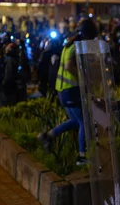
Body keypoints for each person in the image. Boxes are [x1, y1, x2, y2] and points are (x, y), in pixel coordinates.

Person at [37, 18, 99, 165]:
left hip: (63, 90)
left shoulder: (70, 44)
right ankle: (82, 157)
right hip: (70, 91)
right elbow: (69, 66)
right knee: (85, 122)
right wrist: (83, 78)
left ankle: (48, 136)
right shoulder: (76, 46)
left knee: (75, 121)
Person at [0, 42, 21, 106]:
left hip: (8, 84)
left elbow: (8, 74)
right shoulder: (14, 59)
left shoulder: (10, 60)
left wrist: (4, 83)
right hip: (12, 84)